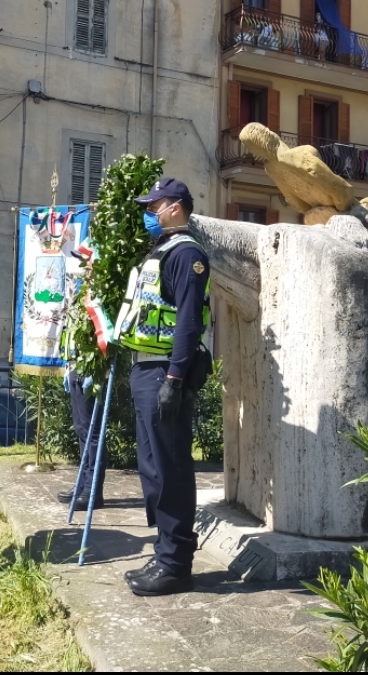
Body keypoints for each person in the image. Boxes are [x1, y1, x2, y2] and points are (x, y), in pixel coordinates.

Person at [114, 177, 211, 597]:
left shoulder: (187, 254)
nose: (149, 214)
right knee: (152, 468)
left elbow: (189, 321)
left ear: (175, 207)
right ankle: (164, 551)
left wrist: (174, 378)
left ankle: (176, 564)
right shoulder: (161, 252)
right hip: (145, 370)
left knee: (171, 469)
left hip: (163, 374)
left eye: (154, 206)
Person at [55, 337, 105, 510]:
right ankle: (82, 484)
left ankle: (93, 490)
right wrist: (68, 367)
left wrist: (98, 369)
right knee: (81, 430)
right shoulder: (72, 309)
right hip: (75, 366)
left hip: (91, 367)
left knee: (93, 434)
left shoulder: (93, 308)